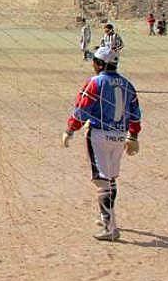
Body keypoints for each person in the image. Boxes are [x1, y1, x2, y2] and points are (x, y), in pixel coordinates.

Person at [61, 45, 142, 241]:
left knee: (102, 180)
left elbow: (82, 109)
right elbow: (135, 112)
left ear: (99, 64)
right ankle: (105, 215)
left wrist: (70, 129)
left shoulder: (96, 82)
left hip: (99, 134)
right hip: (119, 135)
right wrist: (133, 135)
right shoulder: (127, 84)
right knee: (110, 178)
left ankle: (110, 226)